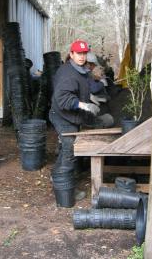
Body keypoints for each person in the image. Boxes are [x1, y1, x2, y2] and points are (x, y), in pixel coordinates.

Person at [49, 40, 100, 201]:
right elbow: (63, 99)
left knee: (66, 148)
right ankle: (65, 188)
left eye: (84, 53)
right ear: (71, 54)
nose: (82, 56)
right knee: (69, 148)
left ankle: (57, 176)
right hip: (62, 116)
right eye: (78, 53)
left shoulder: (78, 69)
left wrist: (90, 98)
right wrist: (84, 105)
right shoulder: (68, 74)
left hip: (71, 116)